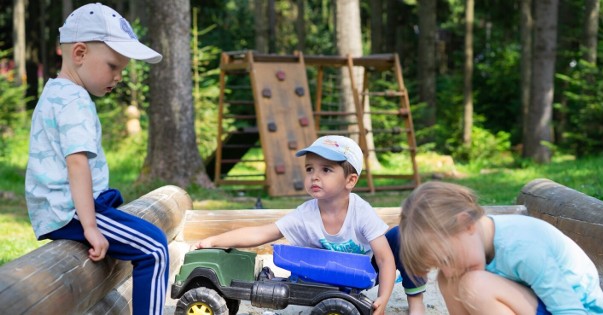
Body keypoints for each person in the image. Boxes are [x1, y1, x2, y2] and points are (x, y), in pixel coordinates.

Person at [25, 3, 166, 315]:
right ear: (79, 54)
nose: (117, 77)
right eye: (113, 66)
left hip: (60, 207)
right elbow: (77, 163)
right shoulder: (75, 101)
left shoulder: (56, 92)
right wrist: (90, 225)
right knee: (154, 248)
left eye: (122, 70)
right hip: (71, 210)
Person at [196, 135, 396, 314]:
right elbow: (263, 233)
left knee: (398, 237)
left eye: (326, 170)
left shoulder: (361, 212)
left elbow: (385, 259)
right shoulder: (305, 214)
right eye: (310, 169)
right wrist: (214, 240)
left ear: (350, 180)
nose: (314, 176)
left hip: (361, 274)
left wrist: (383, 298)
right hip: (323, 280)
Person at [398, 181, 603, 315]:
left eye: (447, 259)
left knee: (475, 285)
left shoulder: (522, 247)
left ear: (467, 224)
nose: (450, 270)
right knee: (448, 281)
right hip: (537, 304)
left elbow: (569, 309)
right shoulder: (475, 244)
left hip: (577, 310)